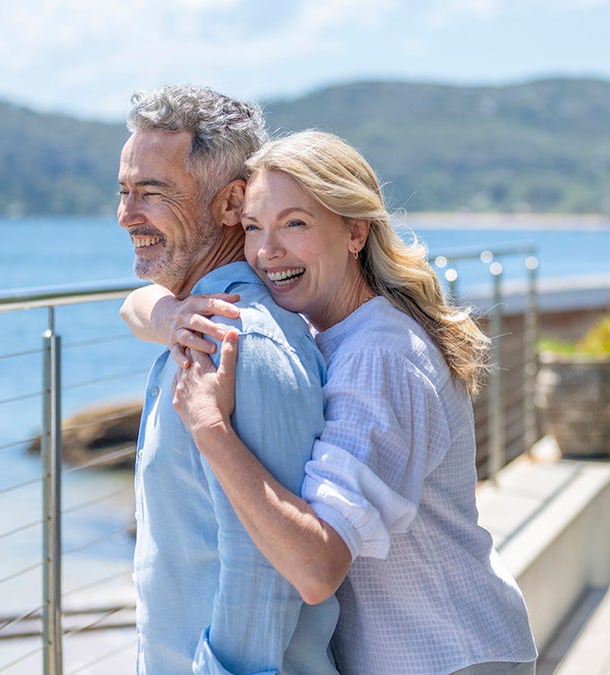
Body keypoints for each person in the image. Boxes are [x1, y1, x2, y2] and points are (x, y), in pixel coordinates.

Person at [128, 130, 538, 674]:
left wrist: (210, 428)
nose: (267, 251)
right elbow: (133, 302)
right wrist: (169, 314)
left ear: (355, 231)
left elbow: (317, 568)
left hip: (446, 656)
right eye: (253, 227)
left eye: (295, 223)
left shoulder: (379, 356)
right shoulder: (331, 330)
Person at [116, 85, 339, 675]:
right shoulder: (194, 323)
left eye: (152, 193)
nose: (126, 214)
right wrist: (164, 314)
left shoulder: (240, 343)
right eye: (124, 191)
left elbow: (263, 571)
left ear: (229, 204)